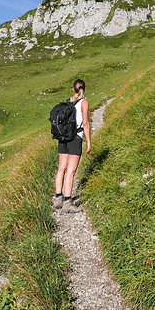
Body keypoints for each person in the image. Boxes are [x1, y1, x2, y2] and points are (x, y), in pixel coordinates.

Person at [54, 78, 92, 213]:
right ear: (84, 89)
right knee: (71, 171)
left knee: (61, 169)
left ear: (73, 89)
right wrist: (88, 142)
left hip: (63, 137)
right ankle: (67, 203)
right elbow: (86, 123)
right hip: (75, 138)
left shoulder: (68, 102)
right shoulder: (84, 103)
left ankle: (58, 198)